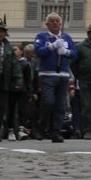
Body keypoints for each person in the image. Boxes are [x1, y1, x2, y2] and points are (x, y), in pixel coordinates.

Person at [33, 13, 75, 143]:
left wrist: (66, 52)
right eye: (52, 21)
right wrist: (51, 47)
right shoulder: (42, 36)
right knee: (48, 102)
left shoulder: (66, 37)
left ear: (61, 24)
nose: (55, 23)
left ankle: (56, 131)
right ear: (47, 24)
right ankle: (41, 127)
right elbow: (38, 51)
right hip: (47, 75)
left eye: (57, 21)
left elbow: (74, 53)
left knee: (60, 105)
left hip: (63, 75)